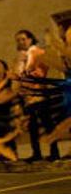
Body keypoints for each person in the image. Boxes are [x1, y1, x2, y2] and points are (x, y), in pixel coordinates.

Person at [15, 29, 60, 161]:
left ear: (30, 39)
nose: (21, 42)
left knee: (47, 124)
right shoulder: (21, 56)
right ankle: (36, 152)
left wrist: (25, 72)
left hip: (39, 93)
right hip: (28, 96)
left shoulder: (38, 52)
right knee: (32, 126)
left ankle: (54, 151)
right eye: (18, 40)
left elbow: (41, 72)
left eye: (23, 39)